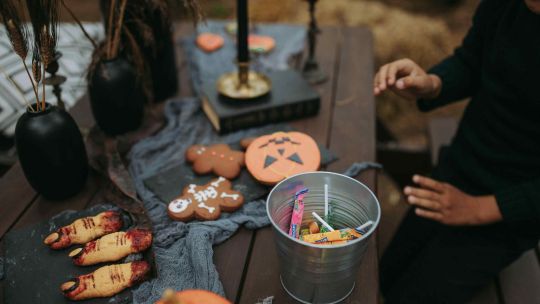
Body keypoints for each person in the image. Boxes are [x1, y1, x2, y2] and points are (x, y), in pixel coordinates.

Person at [374, 0, 540, 302]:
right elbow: (472, 61)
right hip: (461, 167)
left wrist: (478, 209)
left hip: (513, 212)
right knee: (383, 275)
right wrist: (432, 83)